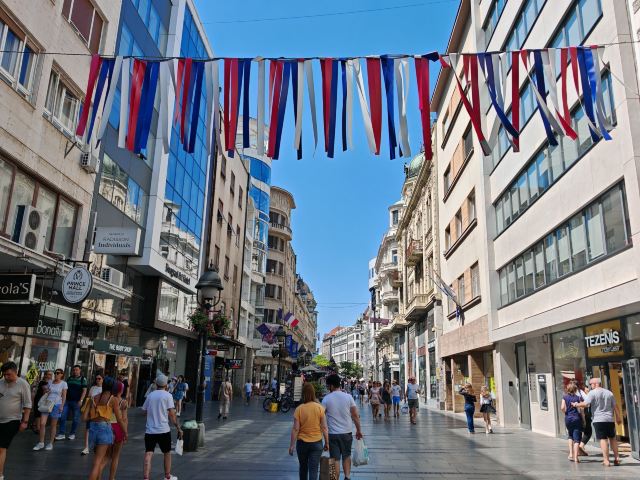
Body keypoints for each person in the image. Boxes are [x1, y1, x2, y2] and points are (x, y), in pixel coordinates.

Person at [82, 377, 127, 480]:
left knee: (96, 460)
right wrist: (125, 432)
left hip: (93, 429)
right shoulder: (113, 399)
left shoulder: (93, 398)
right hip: (104, 428)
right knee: (98, 462)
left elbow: (84, 418)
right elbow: (119, 419)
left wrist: (95, 416)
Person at [572, 377, 623, 466]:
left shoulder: (592, 393)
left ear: (595, 384)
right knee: (612, 438)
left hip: (599, 420)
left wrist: (576, 404)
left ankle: (606, 460)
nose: (590, 386)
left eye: (591, 384)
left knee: (603, 439)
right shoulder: (609, 393)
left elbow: (586, 404)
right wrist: (618, 417)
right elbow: (615, 406)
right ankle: (617, 458)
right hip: (610, 420)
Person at [321, 374, 363, 480]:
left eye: (328, 385)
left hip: (332, 434)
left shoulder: (326, 399)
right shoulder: (348, 397)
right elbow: (355, 415)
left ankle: (333, 478)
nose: (327, 387)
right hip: (346, 433)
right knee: (346, 456)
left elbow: (321, 417)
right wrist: (358, 430)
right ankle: (347, 477)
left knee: (334, 459)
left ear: (331, 385)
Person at [142, 375, 181, 480]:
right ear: (166, 385)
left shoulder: (150, 395)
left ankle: (146, 477)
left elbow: (144, 412)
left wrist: (152, 411)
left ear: (157, 384)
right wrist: (178, 427)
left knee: (148, 453)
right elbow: (172, 414)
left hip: (150, 431)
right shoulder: (168, 396)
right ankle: (167, 476)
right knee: (167, 453)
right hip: (164, 430)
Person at [289, 383, 329, 480]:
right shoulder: (320, 408)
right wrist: (327, 443)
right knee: (313, 469)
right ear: (313, 393)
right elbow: (324, 427)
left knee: (303, 468)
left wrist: (292, 445)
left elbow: (295, 429)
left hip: (302, 443)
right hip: (316, 443)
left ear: (303, 394)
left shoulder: (299, 409)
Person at [0, 362, 32, 480]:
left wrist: (25, 421)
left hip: (12, 420)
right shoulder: (1, 382)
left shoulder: (23, 384)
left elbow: (28, 404)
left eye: (9, 374)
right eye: (4, 375)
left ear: (15, 372)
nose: (6, 377)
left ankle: (0, 475)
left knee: (1, 447)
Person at [34, 368, 67, 451]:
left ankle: (50, 443)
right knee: (42, 423)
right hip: (47, 403)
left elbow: (64, 396)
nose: (56, 374)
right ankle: (41, 442)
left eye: (58, 373)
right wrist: (46, 391)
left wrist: (62, 406)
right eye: (55, 373)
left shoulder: (63, 383)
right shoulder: (50, 382)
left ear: (62, 374)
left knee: (53, 425)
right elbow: (45, 393)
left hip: (56, 404)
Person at [56, 365, 87, 441]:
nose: (75, 371)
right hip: (67, 401)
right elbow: (65, 390)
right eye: (74, 370)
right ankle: (62, 434)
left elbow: (84, 391)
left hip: (76, 402)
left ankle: (72, 433)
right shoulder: (69, 378)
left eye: (77, 370)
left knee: (75, 418)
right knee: (62, 416)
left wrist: (81, 400)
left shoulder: (83, 379)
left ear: (80, 370)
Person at [108, 381, 128, 480]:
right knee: (115, 457)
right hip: (118, 428)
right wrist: (125, 433)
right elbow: (124, 419)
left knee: (104, 457)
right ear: (121, 390)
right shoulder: (123, 402)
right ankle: (111, 478)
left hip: (107, 426)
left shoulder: (109, 399)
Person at [561, 382, 584, 463]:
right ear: (575, 389)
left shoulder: (565, 397)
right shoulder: (578, 398)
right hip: (576, 418)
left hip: (568, 419)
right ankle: (576, 457)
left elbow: (562, 407)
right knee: (577, 439)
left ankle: (571, 454)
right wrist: (583, 419)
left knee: (570, 436)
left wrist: (566, 412)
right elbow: (581, 410)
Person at [82, 374, 104, 455]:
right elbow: (88, 398)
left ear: (103, 380)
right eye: (96, 378)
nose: (97, 380)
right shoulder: (93, 388)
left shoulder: (104, 389)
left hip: (99, 412)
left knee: (98, 428)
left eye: (99, 378)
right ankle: (86, 447)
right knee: (88, 428)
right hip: (91, 410)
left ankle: (96, 445)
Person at [577, 383, 593, 456]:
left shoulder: (571, 393)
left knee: (578, 433)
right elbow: (587, 403)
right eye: (586, 387)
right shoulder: (581, 392)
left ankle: (578, 449)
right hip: (584, 414)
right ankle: (581, 446)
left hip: (575, 416)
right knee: (588, 431)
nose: (587, 389)